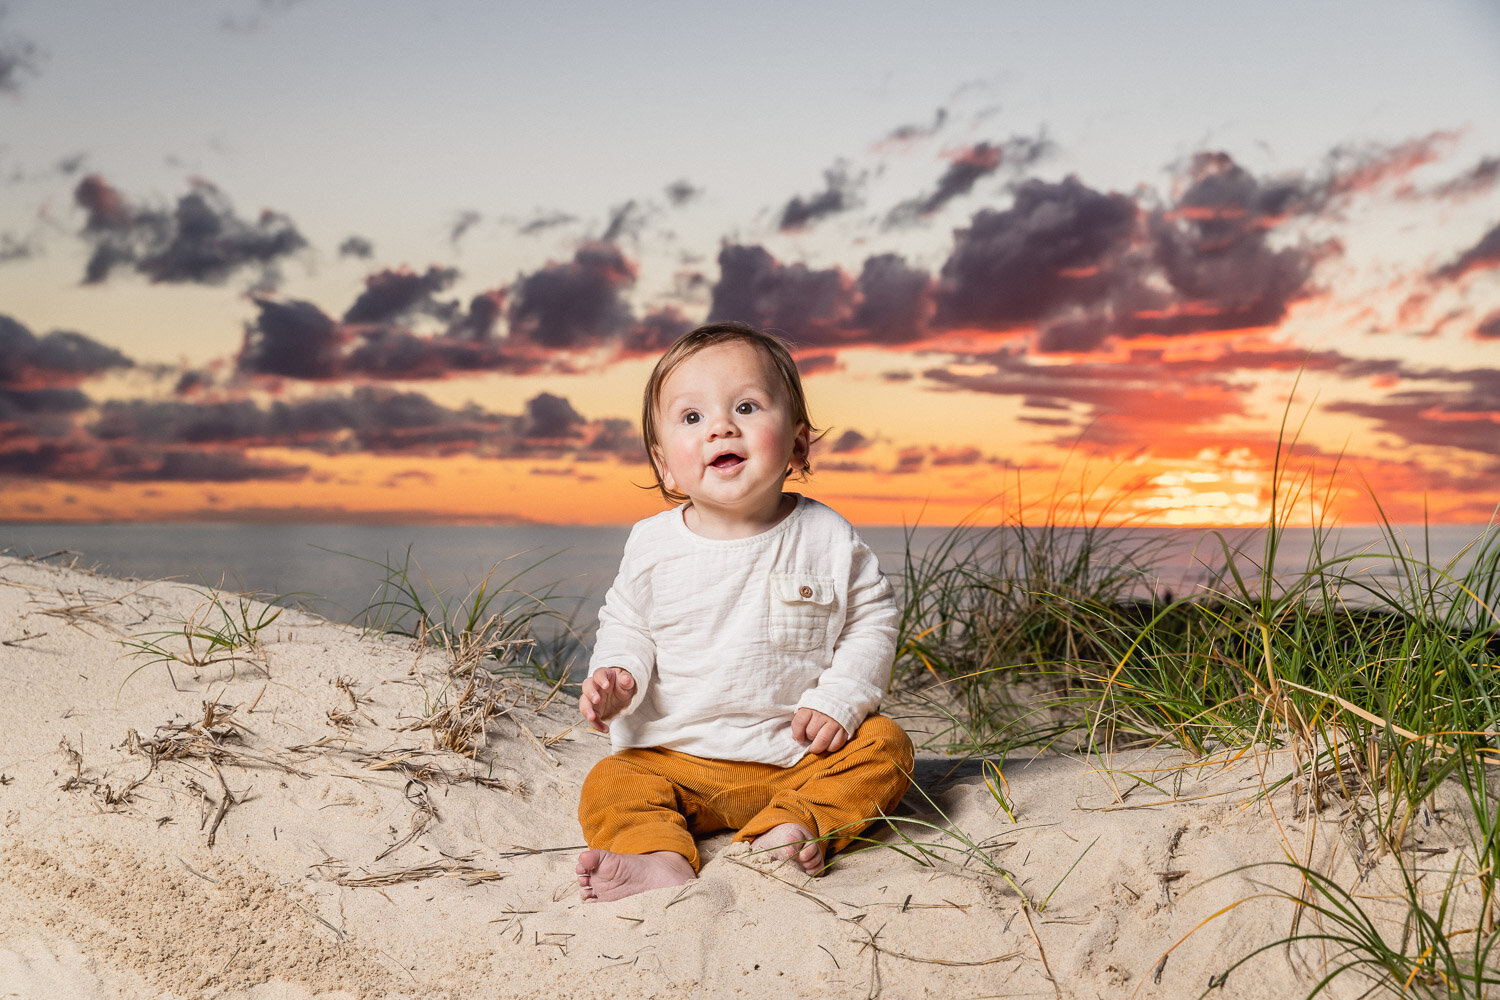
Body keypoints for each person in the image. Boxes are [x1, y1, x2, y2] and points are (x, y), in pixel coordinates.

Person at [574, 320, 913, 903]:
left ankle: (791, 826)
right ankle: (657, 857)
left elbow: (872, 620)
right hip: (673, 757)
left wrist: (839, 698)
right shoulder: (653, 545)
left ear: (799, 445)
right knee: (610, 782)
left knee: (887, 747)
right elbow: (628, 621)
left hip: (797, 754)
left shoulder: (825, 536)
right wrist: (620, 674)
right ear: (663, 464)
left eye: (748, 407)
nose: (722, 428)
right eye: (692, 418)